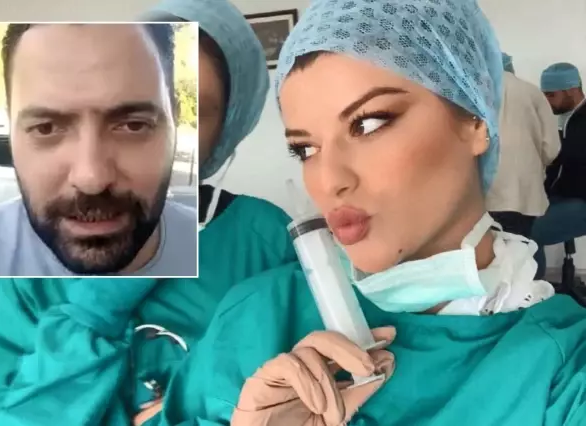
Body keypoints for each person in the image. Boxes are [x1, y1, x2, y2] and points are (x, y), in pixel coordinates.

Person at [151, 1, 586, 425]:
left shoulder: (563, 367)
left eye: (369, 124)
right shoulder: (258, 315)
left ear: (475, 120)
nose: (329, 180)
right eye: (305, 149)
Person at [0, 1, 296, 425]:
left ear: (229, 124)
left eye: (193, 111)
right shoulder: (35, 250)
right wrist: (95, 309)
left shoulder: (266, 240)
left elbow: (309, 396)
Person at [0, 23, 197, 277]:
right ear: (10, 125)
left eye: (134, 125)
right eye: (46, 128)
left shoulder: (214, 250)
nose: (92, 180)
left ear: (175, 119)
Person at [486, 53, 560, 238]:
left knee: (488, 250)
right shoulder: (533, 93)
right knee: (522, 247)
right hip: (524, 192)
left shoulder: (470, 93)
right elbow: (551, 147)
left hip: (483, 193)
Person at [532, 63, 586, 279]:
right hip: (564, 195)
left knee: (529, 234)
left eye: (551, 95)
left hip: (582, 200)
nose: (546, 101)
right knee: (519, 222)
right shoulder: (567, 120)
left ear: (571, 90)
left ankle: (533, 293)